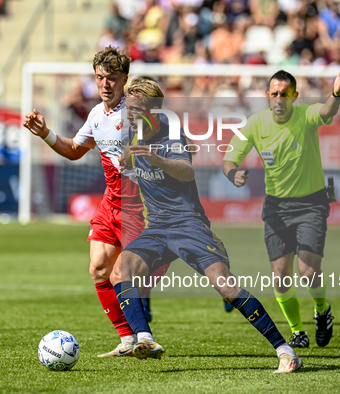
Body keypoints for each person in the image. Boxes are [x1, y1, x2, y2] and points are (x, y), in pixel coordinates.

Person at [110, 77, 302, 373]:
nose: (129, 115)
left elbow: (187, 172)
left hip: (189, 225)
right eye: (128, 109)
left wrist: (154, 158)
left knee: (226, 286)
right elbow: (128, 159)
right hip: (157, 227)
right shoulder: (134, 135)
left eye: (136, 109)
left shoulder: (170, 136)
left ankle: (285, 350)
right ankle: (144, 339)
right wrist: (127, 157)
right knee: (121, 270)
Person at [23, 46, 166, 357]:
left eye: (112, 78)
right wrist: (46, 134)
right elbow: (75, 149)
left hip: (140, 207)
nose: (104, 84)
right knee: (99, 268)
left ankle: (145, 335)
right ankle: (129, 339)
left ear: (124, 80)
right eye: (100, 77)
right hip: (110, 203)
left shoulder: (139, 112)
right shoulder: (97, 114)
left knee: (127, 274)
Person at [223, 68, 340, 348]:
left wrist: (337, 92)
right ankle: (297, 332)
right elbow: (229, 159)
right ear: (267, 96)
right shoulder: (255, 124)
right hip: (276, 208)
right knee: (280, 276)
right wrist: (234, 174)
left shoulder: (306, 115)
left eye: (285, 94)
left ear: (295, 96)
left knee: (308, 271)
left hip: (312, 204)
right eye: (274, 94)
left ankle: (322, 309)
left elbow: (328, 111)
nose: (279, 99)